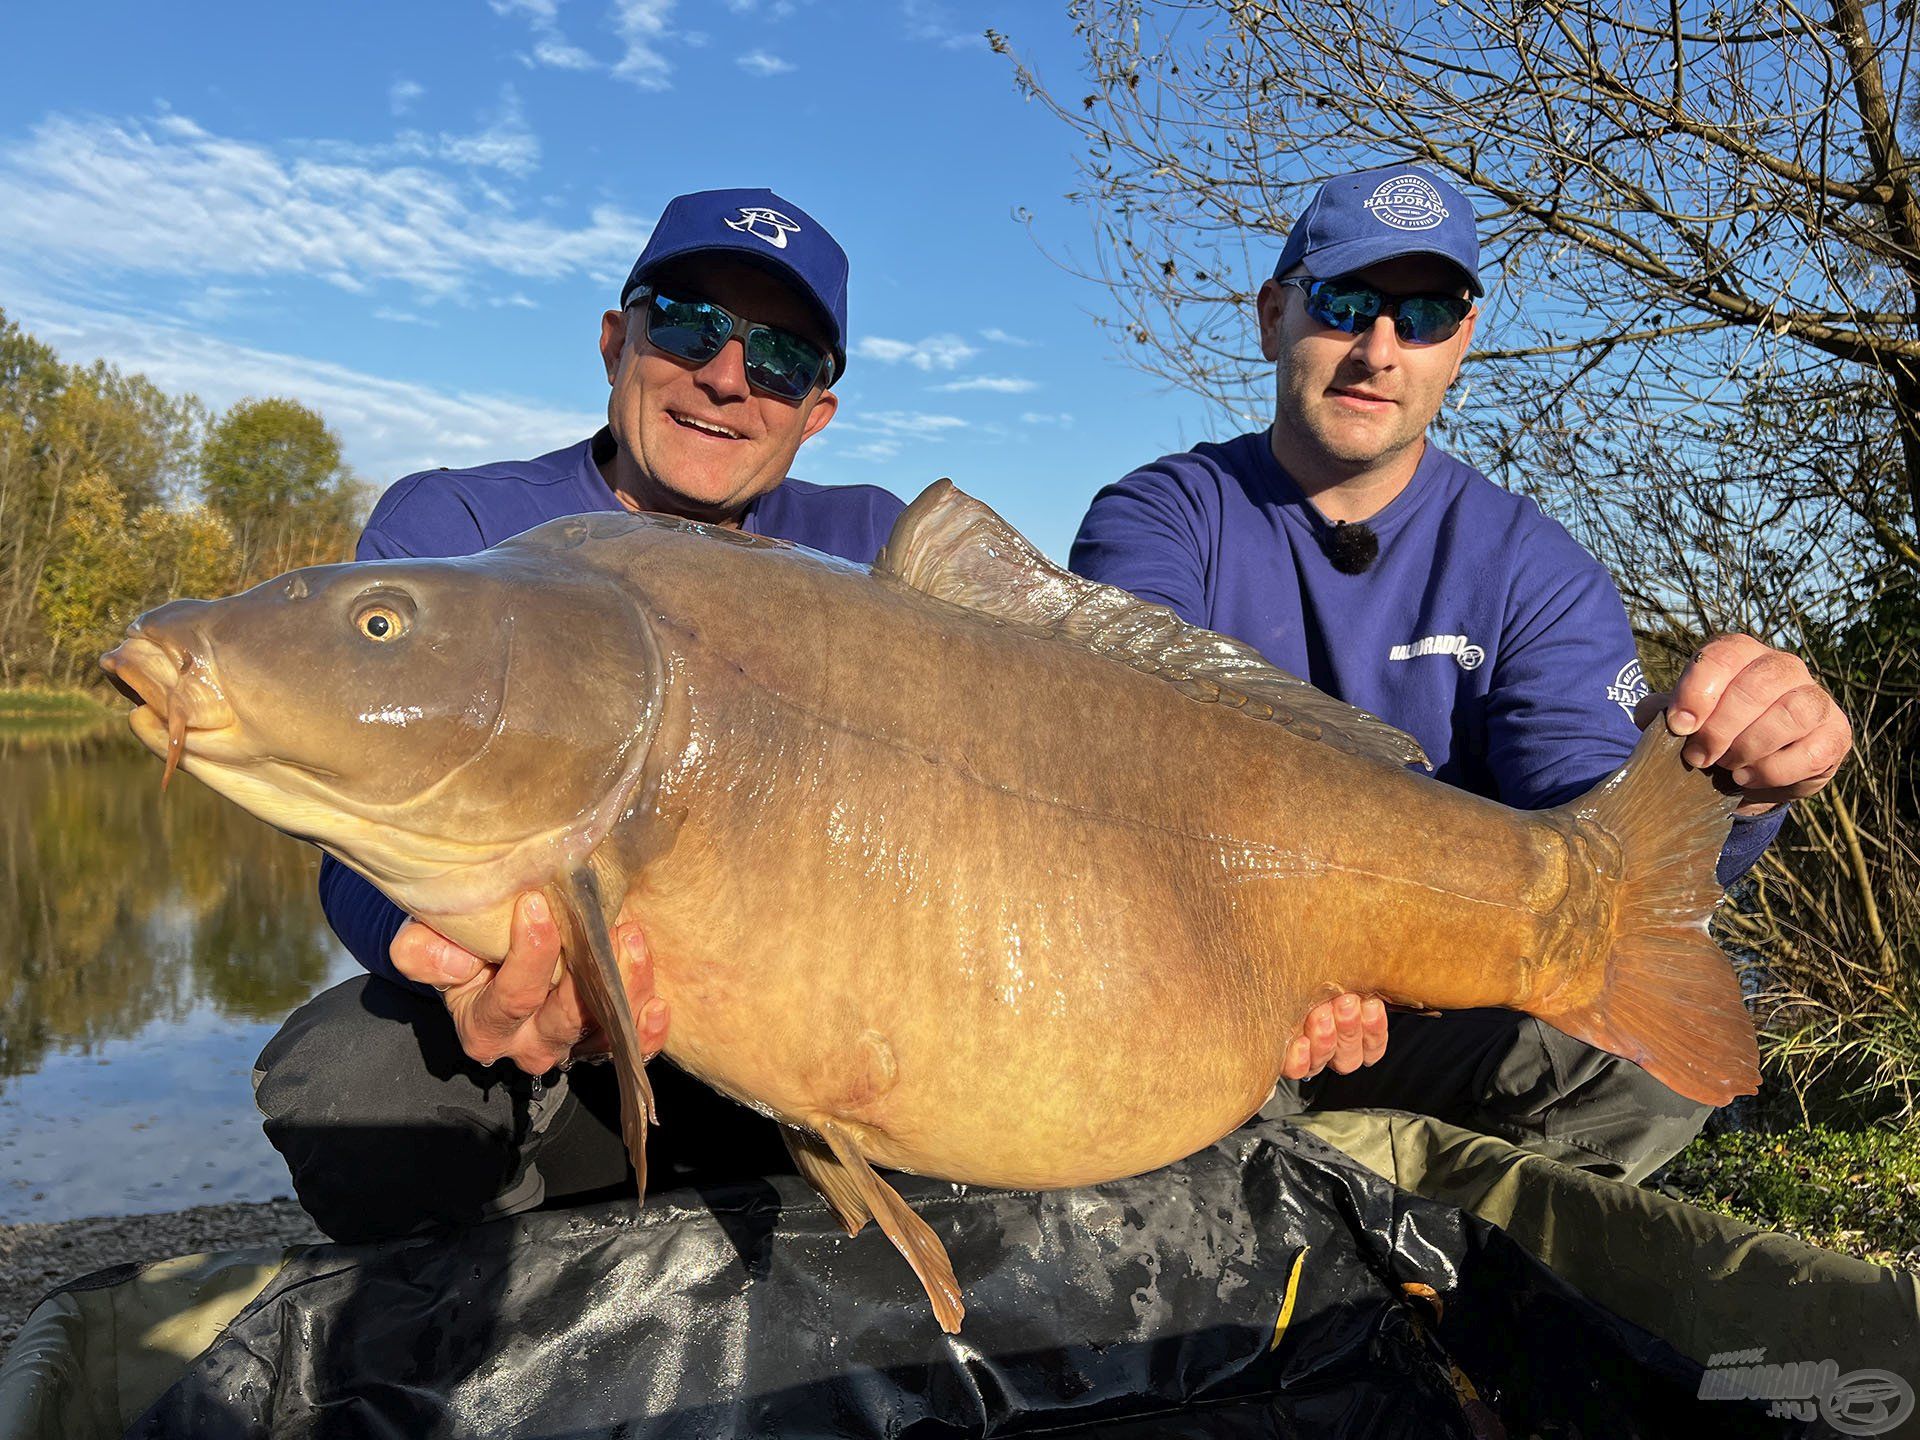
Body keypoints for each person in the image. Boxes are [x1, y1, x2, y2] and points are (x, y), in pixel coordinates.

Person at [1069, 166, 1853, 1183]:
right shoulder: (1162, 516)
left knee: (1632, 1068)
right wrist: (1287, 961)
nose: (1379, 350)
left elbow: (1594, 830)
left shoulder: (1533, 567)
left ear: (1462, 344)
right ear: (1273, 318)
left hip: (1442, 1013)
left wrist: (1727, 779)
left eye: (1425, 314)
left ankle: (1434, 1275)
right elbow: (1119, 761)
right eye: (1344, 303)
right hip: (1201, 981)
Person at [255, 188, 908, 1241]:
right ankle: (494, 1342)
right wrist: (454, 964)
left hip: (821, 1033)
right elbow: (352, 845)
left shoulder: (873, 548)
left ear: (816, 410)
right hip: (552, 1052)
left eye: (781, 357)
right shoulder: (461, 533)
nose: (728, 377)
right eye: (691, 322)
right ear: (618, 342)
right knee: (356, 1083)